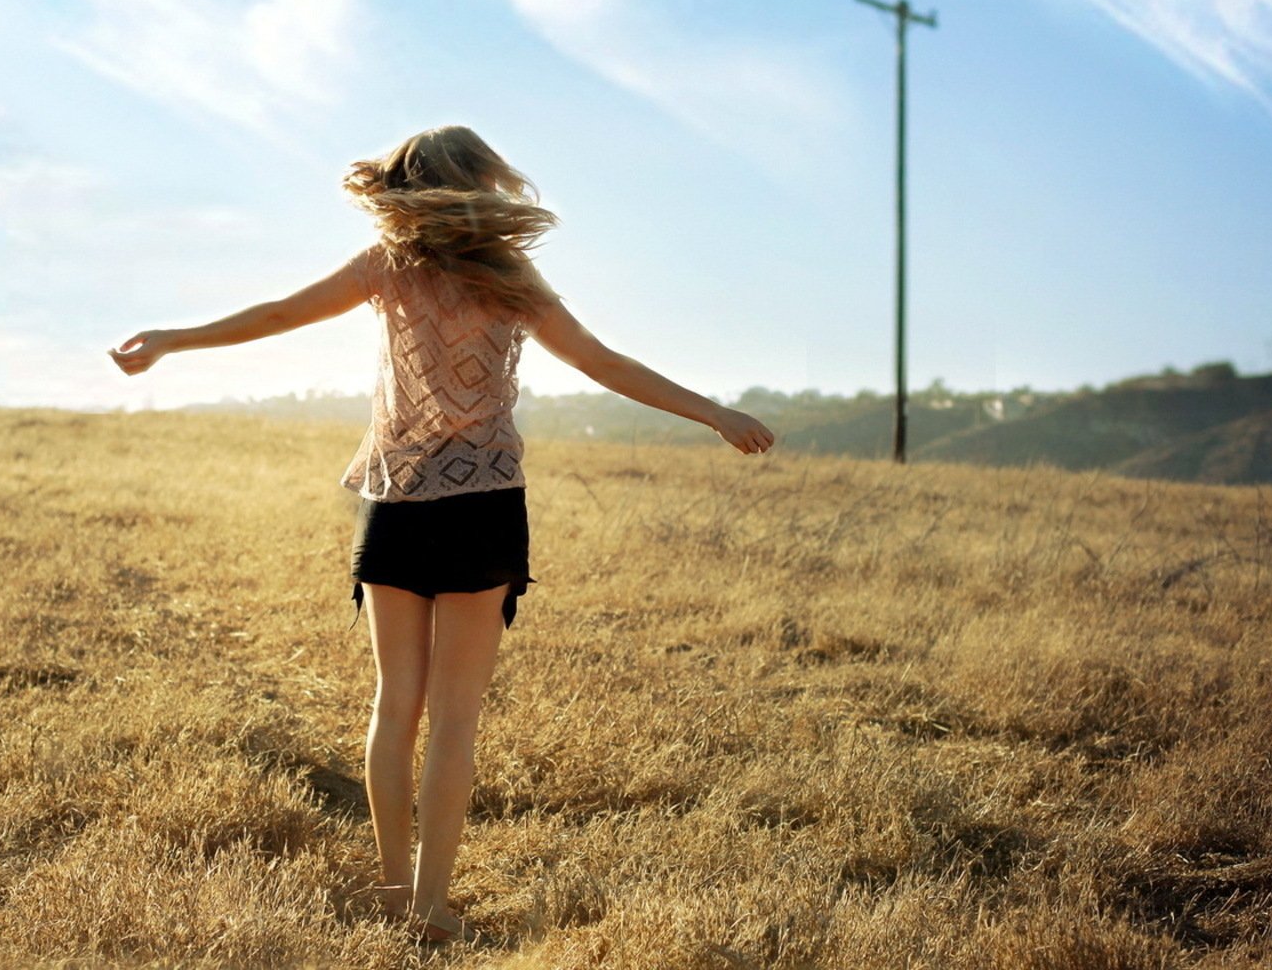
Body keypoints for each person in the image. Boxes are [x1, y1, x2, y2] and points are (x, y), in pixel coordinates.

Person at [108, 125, 778, 945]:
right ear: (480, 182)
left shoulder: (386, 268)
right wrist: (714, 412)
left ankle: (395, 894)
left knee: (398, 705)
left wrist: (177, 339)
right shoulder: (509, 275)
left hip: (395, 501)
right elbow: (602, 363)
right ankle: (428, 905)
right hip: (482, 505)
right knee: (454, 719)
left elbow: (281, 313)